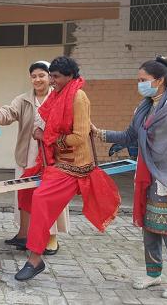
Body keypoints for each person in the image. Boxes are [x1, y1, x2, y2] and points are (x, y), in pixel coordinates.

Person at [91, 56, 167, 299]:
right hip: (148, 173)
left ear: (159, 80)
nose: (139, 84)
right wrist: (99, 133)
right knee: (150, 227)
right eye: (139, 80)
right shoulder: (144, 105)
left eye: (143, 80)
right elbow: (131, 135)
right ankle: (153, 273)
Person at [15, 56, 121, 281]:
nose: (52, 81)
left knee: (41, 199)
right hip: (55, 162)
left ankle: (35, 259)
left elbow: (80, 137)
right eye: (51, 76)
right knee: (27, 189)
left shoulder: (79, 96)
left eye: (55, 77)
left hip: (74, 166)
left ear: (70, 76)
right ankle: (30, 242)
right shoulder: (59, 94)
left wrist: (48, 138)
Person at [0, 60, 68, 254]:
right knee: (24, 195)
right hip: (27, 155)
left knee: (50, 197)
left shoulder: (60, 98)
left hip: (52, 158)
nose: (37, 79)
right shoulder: (24, 100)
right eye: (33, 76)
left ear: (50, 77)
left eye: (41, 75)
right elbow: (6, 115)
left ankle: (51, 238)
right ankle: (24, 234)